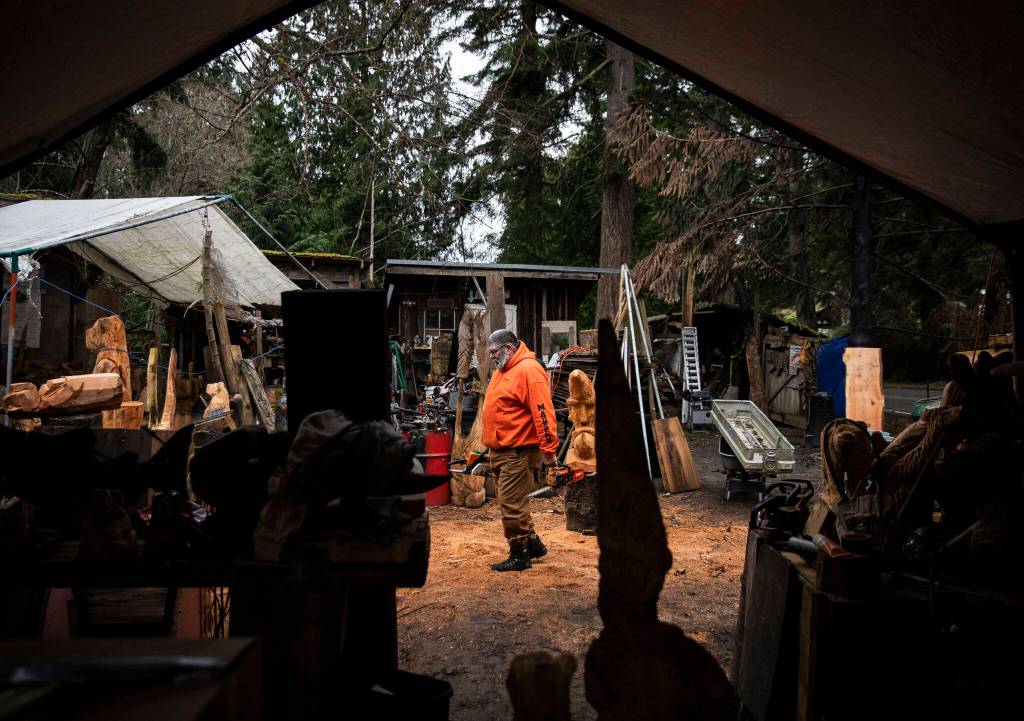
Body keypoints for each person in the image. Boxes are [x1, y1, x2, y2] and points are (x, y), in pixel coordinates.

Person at [482, 329, 559, 571]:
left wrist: (549, 450)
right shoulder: (504, 369)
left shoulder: (528, 370)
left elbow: (543, 412)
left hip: (518, 451)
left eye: (494, 352)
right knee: (511, 501)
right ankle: (533, 543)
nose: (492, 356)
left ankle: (520, 555)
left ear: (509, 348)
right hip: (502, 449)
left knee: (511, 503)